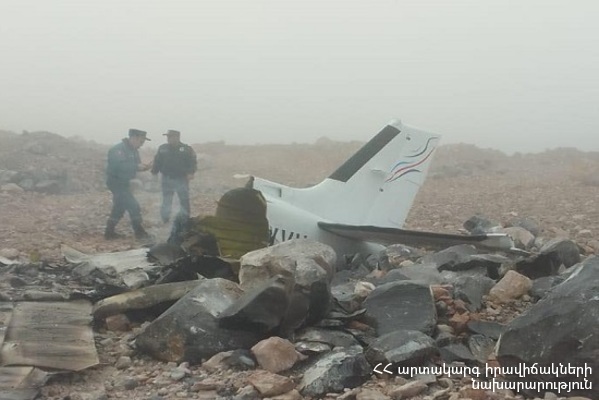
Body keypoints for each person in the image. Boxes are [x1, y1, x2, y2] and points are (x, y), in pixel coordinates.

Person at [104, 128, 152, 240]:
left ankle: (109, 232)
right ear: (133, 138)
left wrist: (145, 167)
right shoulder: (118, 150)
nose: (142, 144)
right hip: (116, 182)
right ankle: (140, 233)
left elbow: (136, 166)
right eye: (141, 141)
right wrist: (136, 166)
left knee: (119, 207)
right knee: (133, 206)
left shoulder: (134, 151)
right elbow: (119, 166)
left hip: (125, 183)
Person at [151, 129, 197, 223]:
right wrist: (154, 173)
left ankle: (185, 219)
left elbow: (192, 162)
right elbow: (157, 161)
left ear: (177, 137)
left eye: (170, 136)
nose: (168, 138)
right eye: (168, 137)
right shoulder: (163, 148)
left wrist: (191, 172)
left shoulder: (186, 149)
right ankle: (165, 219)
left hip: (181, 179)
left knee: (184, 200)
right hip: (166, 178)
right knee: (166, 200)